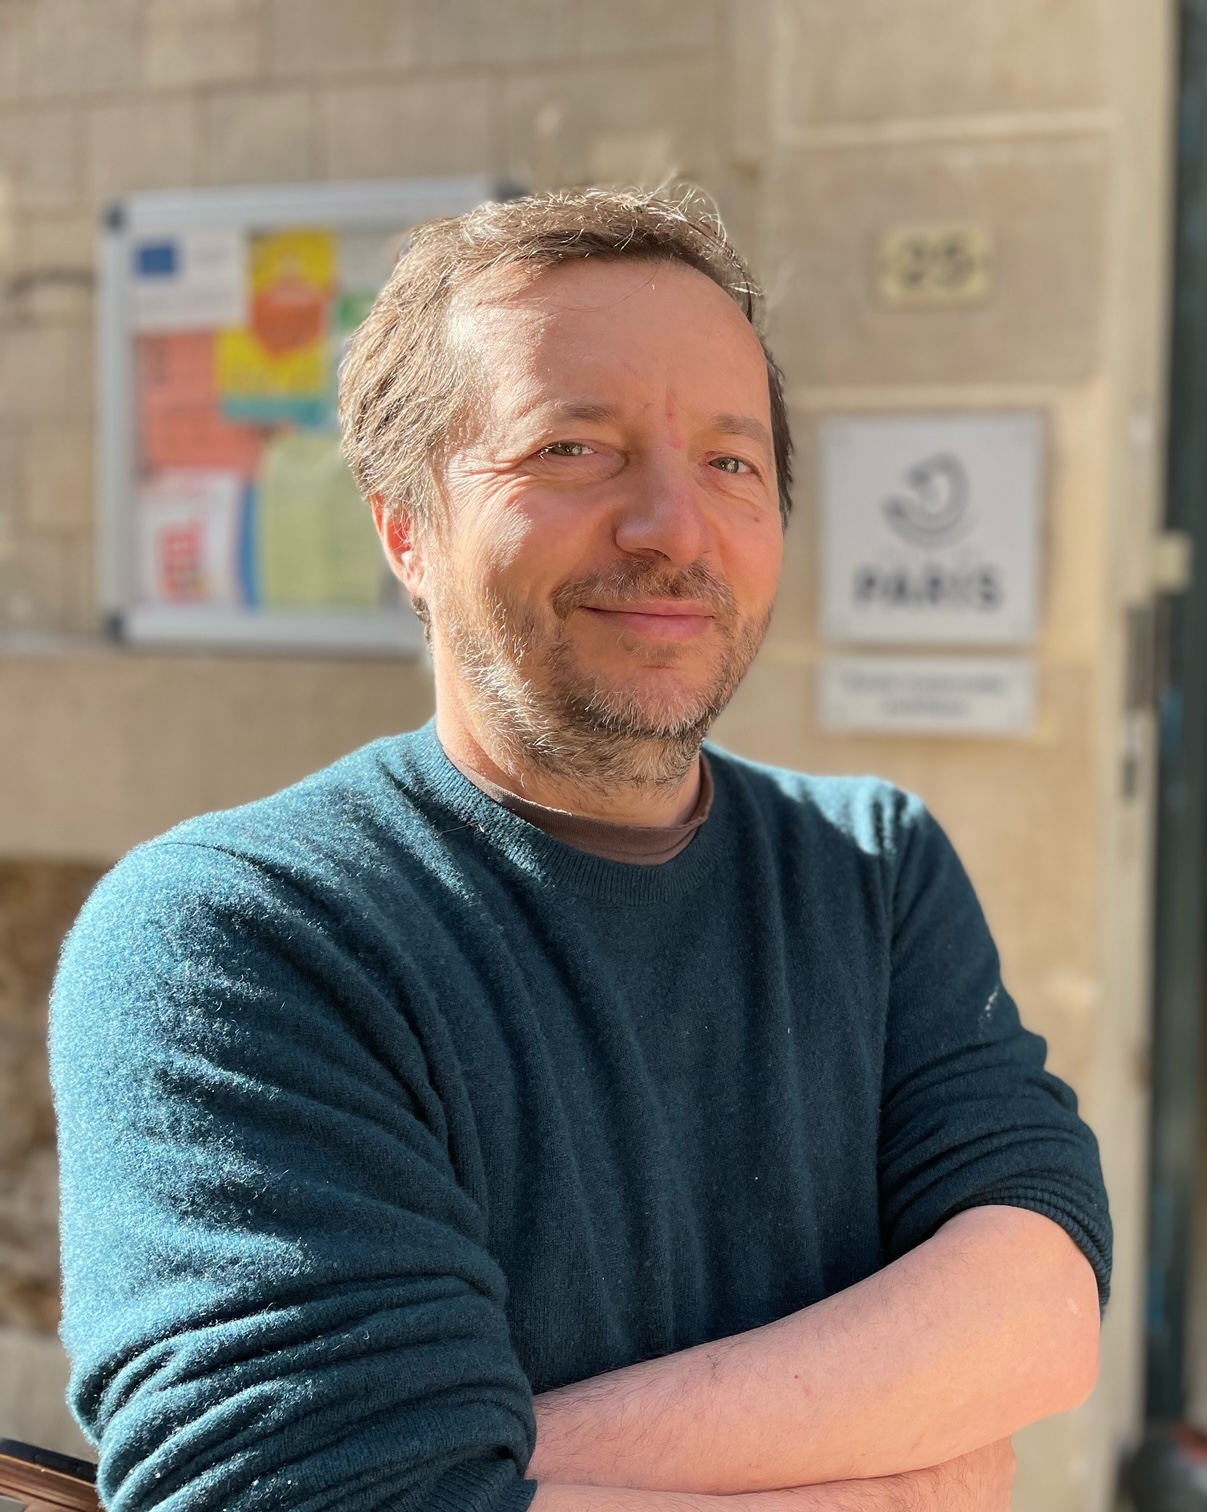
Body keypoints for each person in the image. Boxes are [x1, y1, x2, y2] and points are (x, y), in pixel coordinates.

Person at [50, 189, 1109, 1512]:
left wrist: (489, 1466)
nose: (672, 526)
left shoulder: (873, 872)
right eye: (572, 447)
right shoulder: (240, 938)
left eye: (731, 461)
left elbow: (1043, 1308)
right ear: (404, 529)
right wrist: (900, 1488)